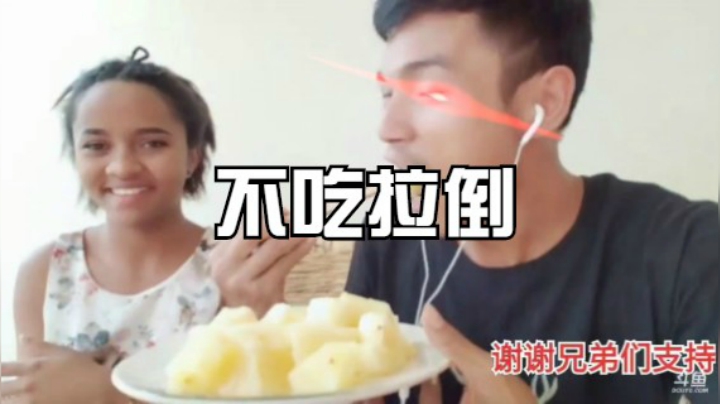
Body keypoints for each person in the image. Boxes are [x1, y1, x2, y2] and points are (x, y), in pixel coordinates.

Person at [346, 1, 719, 403]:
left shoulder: (683, 251)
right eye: (388, 93)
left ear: (547, 102)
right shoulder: (388, 242)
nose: (388, 129)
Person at [0, 47, 314, 404]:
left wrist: (109, 394)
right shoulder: (45, 271)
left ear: (192, 157)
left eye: (152, 143)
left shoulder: (239, 265)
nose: (123, 167)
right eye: (96, 145)